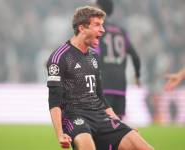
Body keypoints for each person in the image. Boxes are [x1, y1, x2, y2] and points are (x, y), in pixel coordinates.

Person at [46, 5, 153, 150]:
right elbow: (54, 101)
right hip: (74, 116)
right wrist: (60, 134)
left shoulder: (94, 56)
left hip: (100, 116)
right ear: (82, 28)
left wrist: (119, 123)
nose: (103, 30)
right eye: (97, 25)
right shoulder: (60, 57)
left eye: (102, 25)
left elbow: (100, 96)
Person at [94, 0, 141, 119]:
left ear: (99, 9)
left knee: (102, 125)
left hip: (103, 83)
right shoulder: (121, 31)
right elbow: (135, 56)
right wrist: (137, 76)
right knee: (118, 127)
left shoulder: (97, 29)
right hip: (120, 84)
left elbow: (89, 52)